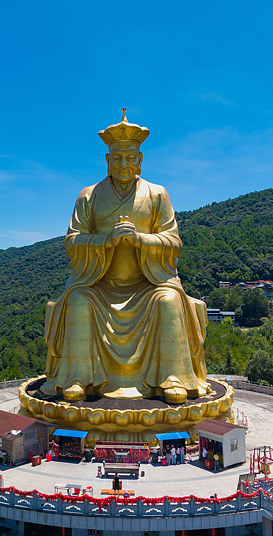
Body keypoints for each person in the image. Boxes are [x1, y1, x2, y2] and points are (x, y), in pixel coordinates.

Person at [40, 110, 210, 404]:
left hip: (147, 284)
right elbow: (72, 240)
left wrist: (139, 239)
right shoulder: (89, 196)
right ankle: (79, 377)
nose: (123, 164)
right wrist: (107, 240)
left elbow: (173, 240)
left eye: (130, 157)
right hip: (99, 285)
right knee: (79, 301)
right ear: (107, 160)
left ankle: (172, 378)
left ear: (140, 160)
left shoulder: (157, 194)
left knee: (169, 301)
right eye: (117, 158)